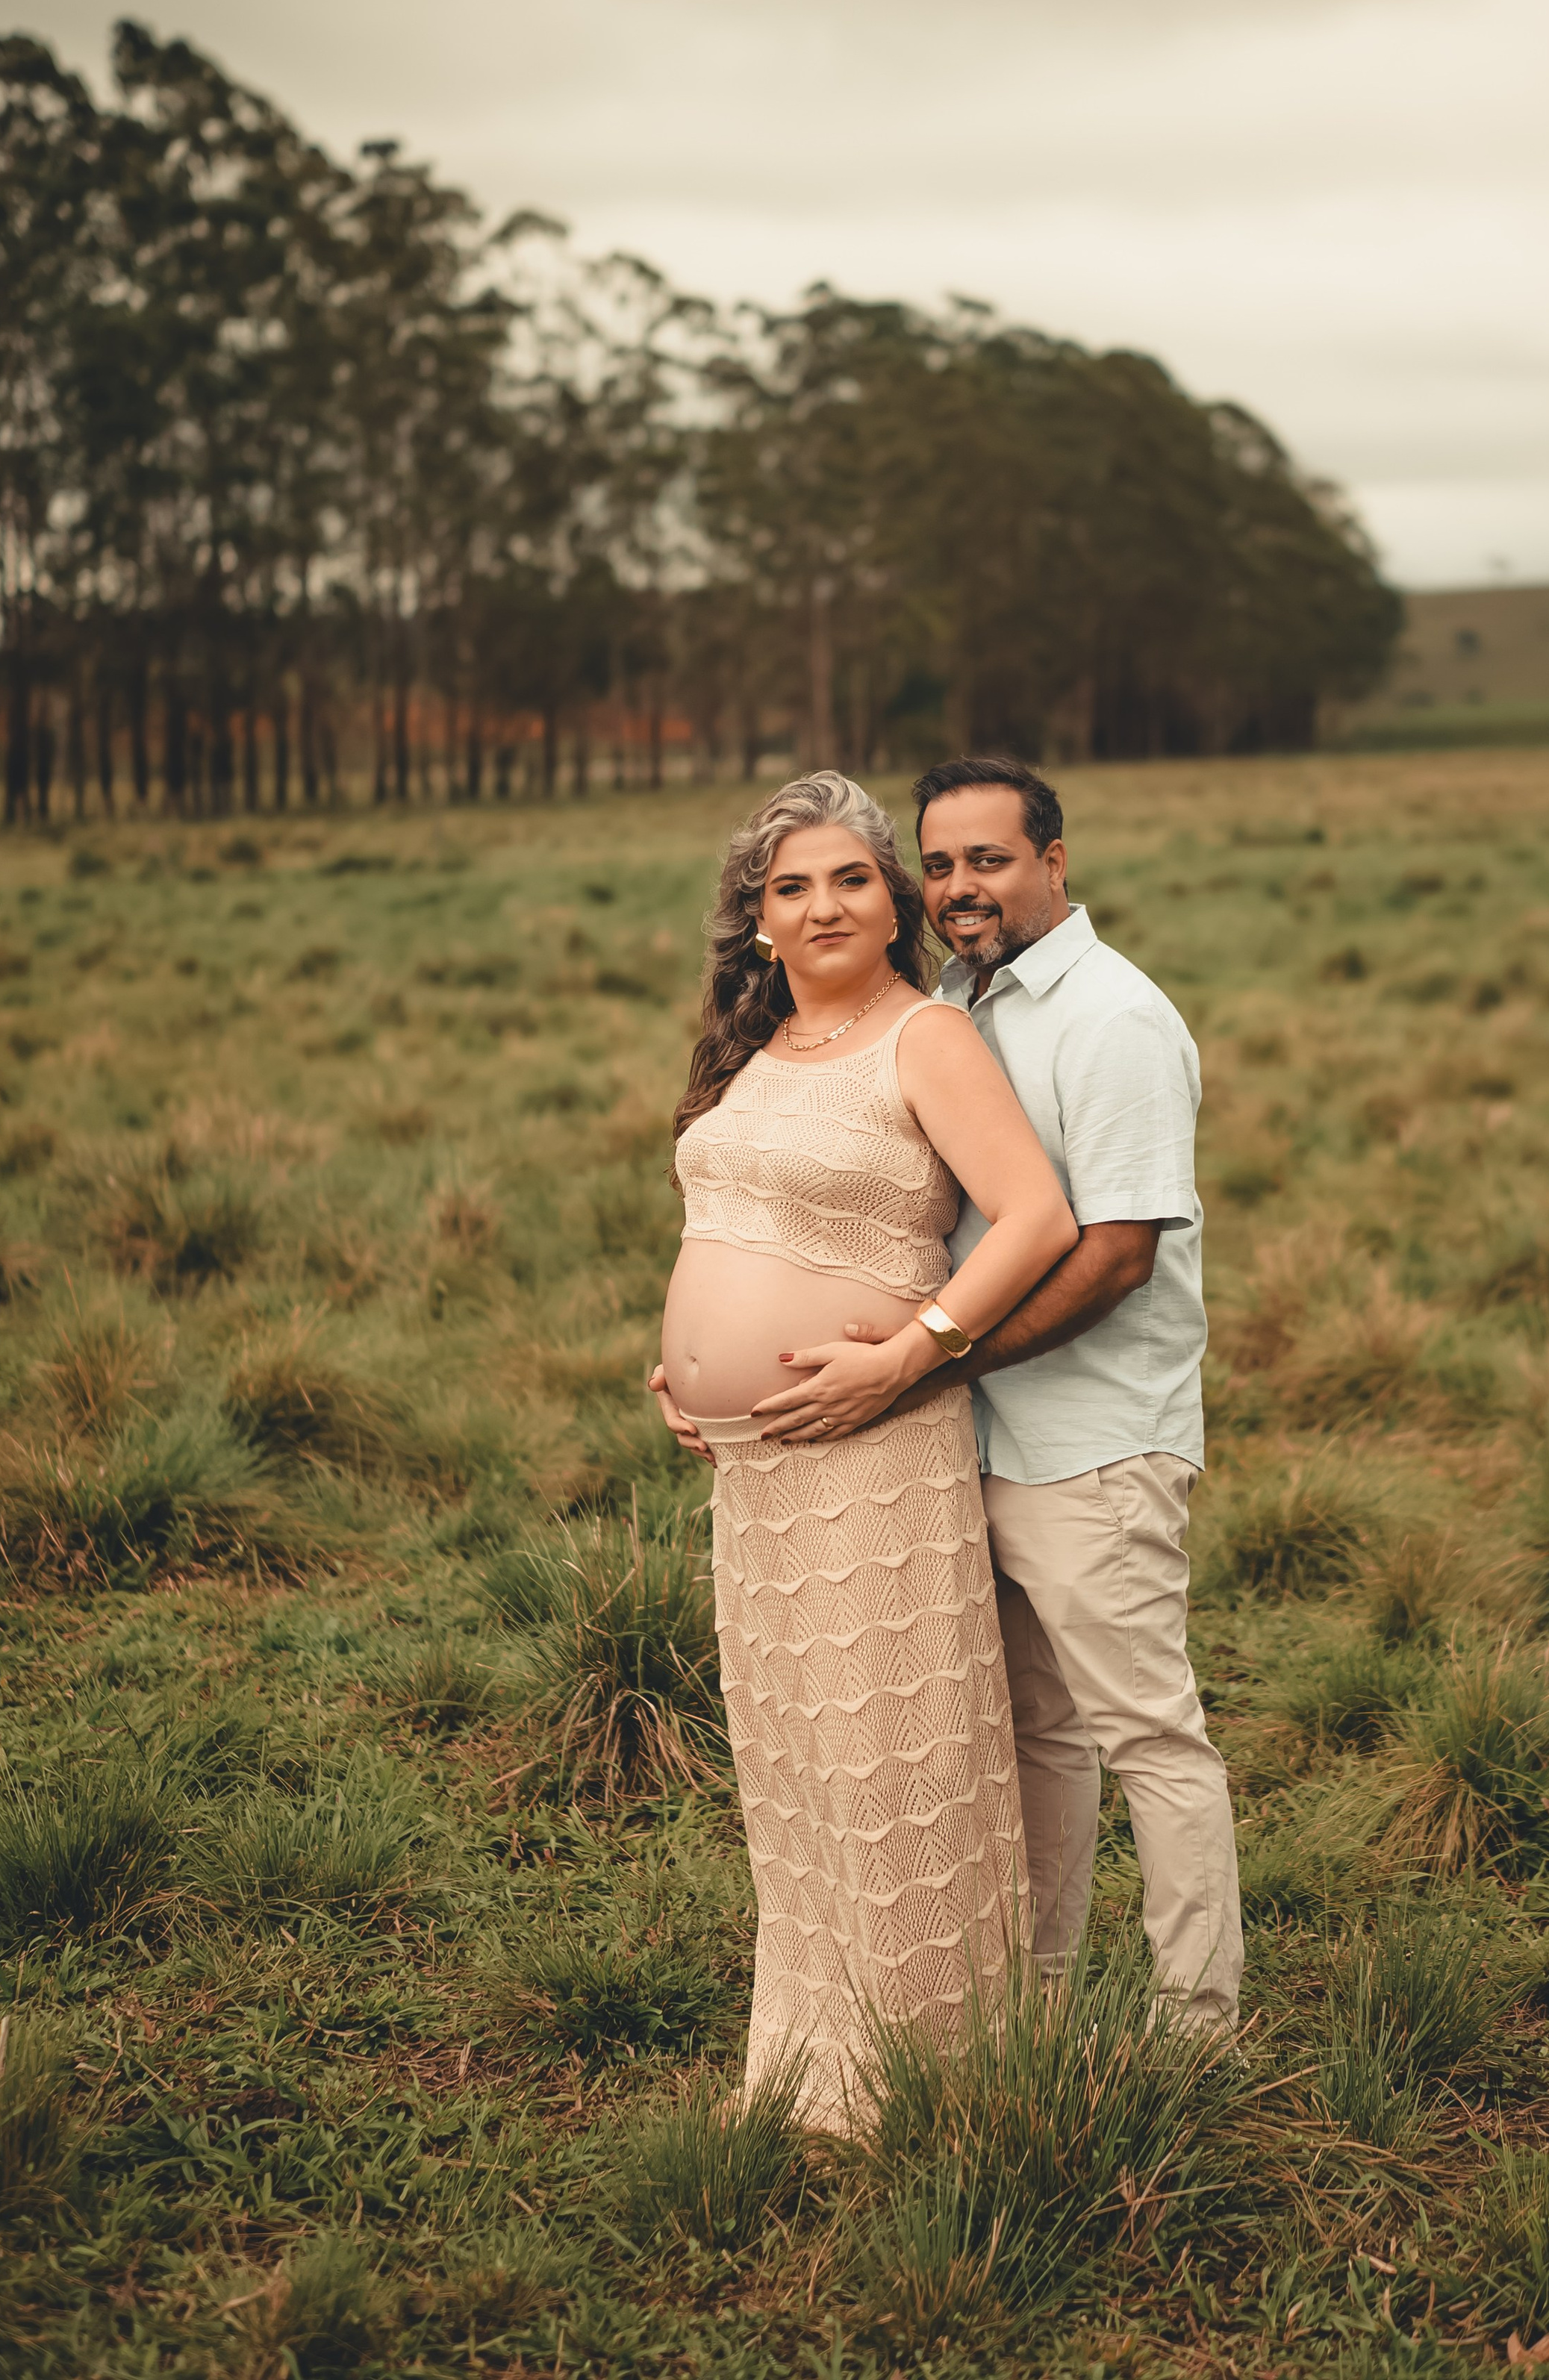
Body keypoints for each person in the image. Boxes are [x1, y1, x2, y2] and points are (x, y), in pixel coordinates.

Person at [754, 753, 1244, 2031]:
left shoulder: (1113, 1018)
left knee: (1147, 1736)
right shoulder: (960, 1004)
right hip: (970, 1440)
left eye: (992, 859)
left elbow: (1119, 1253)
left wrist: (928, 1360)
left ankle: (1199, 2035)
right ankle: (1032, 2011)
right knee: (1038, 1739)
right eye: (943, 862)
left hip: (1092, 1443)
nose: (961, 887)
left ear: (1055, 864)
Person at [648, 769, 1076, 2132]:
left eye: (848, 879)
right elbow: (726, 1231)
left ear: (894, 903)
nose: (821, 905)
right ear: (757, 922)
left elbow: (1035, 1217)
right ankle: (813, 2064)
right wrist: (683, 1370)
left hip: (876, 1454)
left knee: (895, 1762)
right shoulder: (750, 1056)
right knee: (794, 1772)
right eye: (789, 886)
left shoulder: (927, 1040)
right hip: (756, 1474)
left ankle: (942, 2084)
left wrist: (913, 1351)